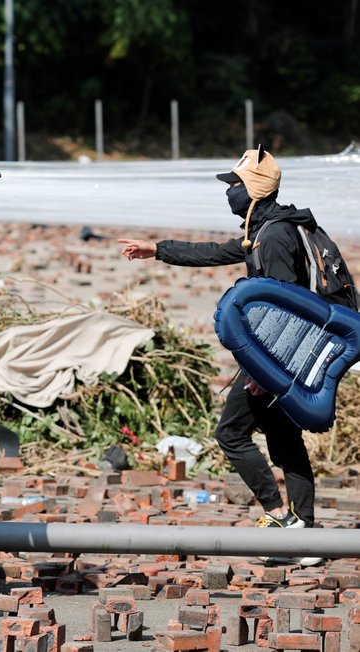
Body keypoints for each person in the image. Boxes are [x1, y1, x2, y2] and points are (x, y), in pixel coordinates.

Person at [118, 146, 324, 566]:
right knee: (285, 441)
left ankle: (280, 517)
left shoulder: (276, 236)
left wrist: (265, 369)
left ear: (252, 188)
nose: (229, 191)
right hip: (278, 360)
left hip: (276, 361)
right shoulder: (263, 229)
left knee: (231, 433)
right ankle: (307, 538)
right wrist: (156, 248)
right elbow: (213, 252)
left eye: (234, 184)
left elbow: (286, 308)